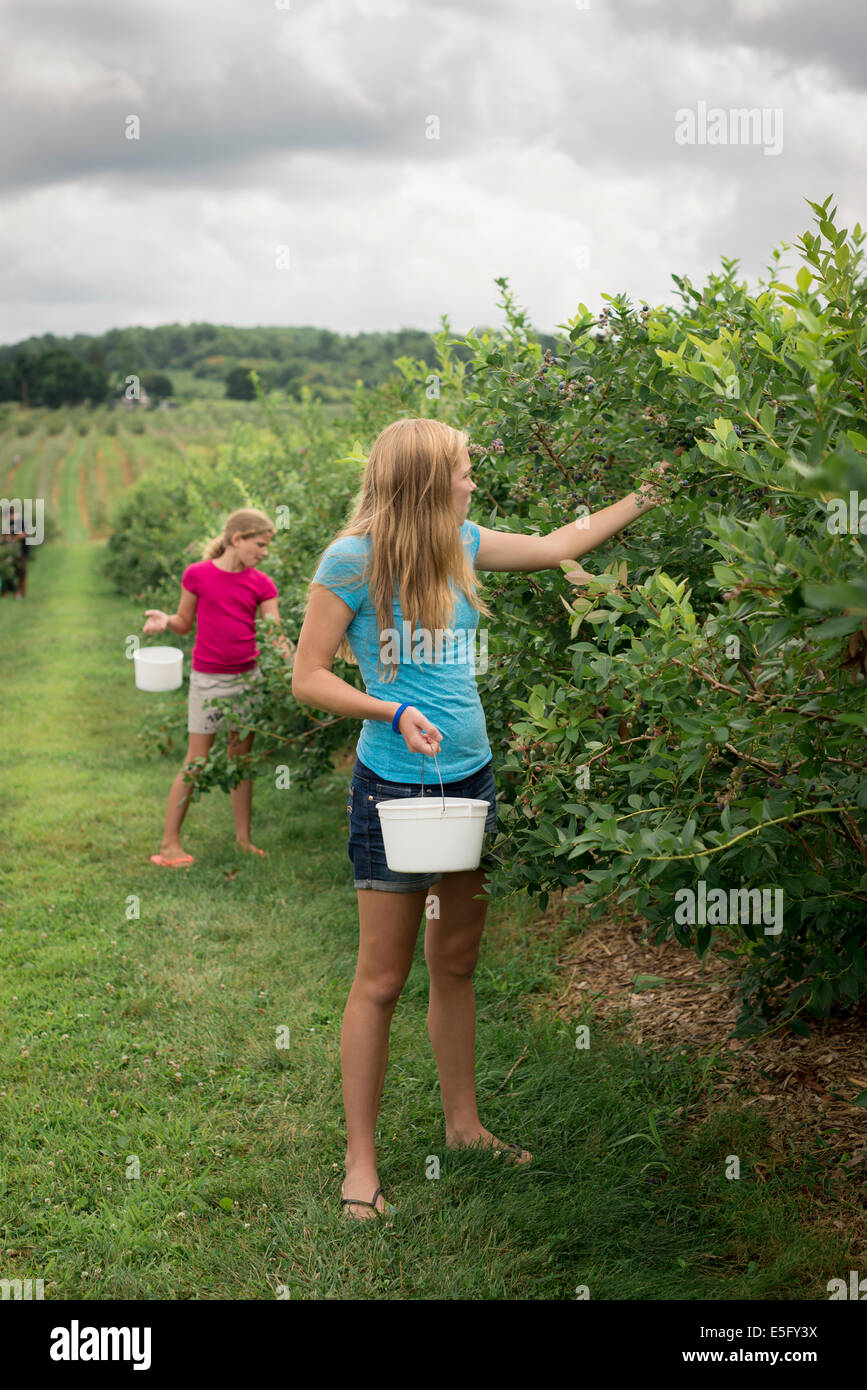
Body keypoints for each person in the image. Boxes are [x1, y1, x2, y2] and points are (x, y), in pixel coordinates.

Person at [291, 417, 668, 1220]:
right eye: (462, 470)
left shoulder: (460, 541)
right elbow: (309, 677)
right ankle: (361, 1162)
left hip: (467, 780)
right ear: (428, 478)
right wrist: (389, 710)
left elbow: (557, 543)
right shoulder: (350, 561)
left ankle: (463, 1126)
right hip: (391, 787)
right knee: (383, 978)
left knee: (456, 959)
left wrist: (648, 493)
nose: (472, 481)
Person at [142, 507, 293, 867]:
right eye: (259, 544)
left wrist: (298, 664)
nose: (265, 552)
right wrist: (165, 621)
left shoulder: (262, 583)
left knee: (239, 762)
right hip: (208, 681)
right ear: (236, 540)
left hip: (248, 681)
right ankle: (168, 845)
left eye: (267, 545)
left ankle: (243, 839)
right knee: (196, 760)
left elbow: (274, 634)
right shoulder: (197, 575)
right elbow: (183, 623)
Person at [0, 502, 29, 599]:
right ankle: (8, 592)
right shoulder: (8, 522)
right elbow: (5, 535)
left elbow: (25, 534)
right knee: (10, 572)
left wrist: (13, 538)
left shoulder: (21, 521)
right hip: (10, 551)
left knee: (21, 572)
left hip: (22, 551)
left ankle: (20, 592)